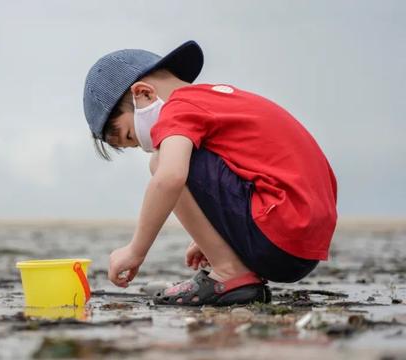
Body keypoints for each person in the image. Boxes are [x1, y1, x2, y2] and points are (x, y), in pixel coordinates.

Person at [82, 40, 338, 306]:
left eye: (131, 136)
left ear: (144, 94)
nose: (144, 147)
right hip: (304, 239)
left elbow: (169, 178)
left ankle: (229, 272)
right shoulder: (216, 100)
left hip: (279, 233)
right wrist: (218, 235)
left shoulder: (178, 109)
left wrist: (135, 250)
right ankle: (229, 262)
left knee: (162, 162)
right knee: (173, 157)